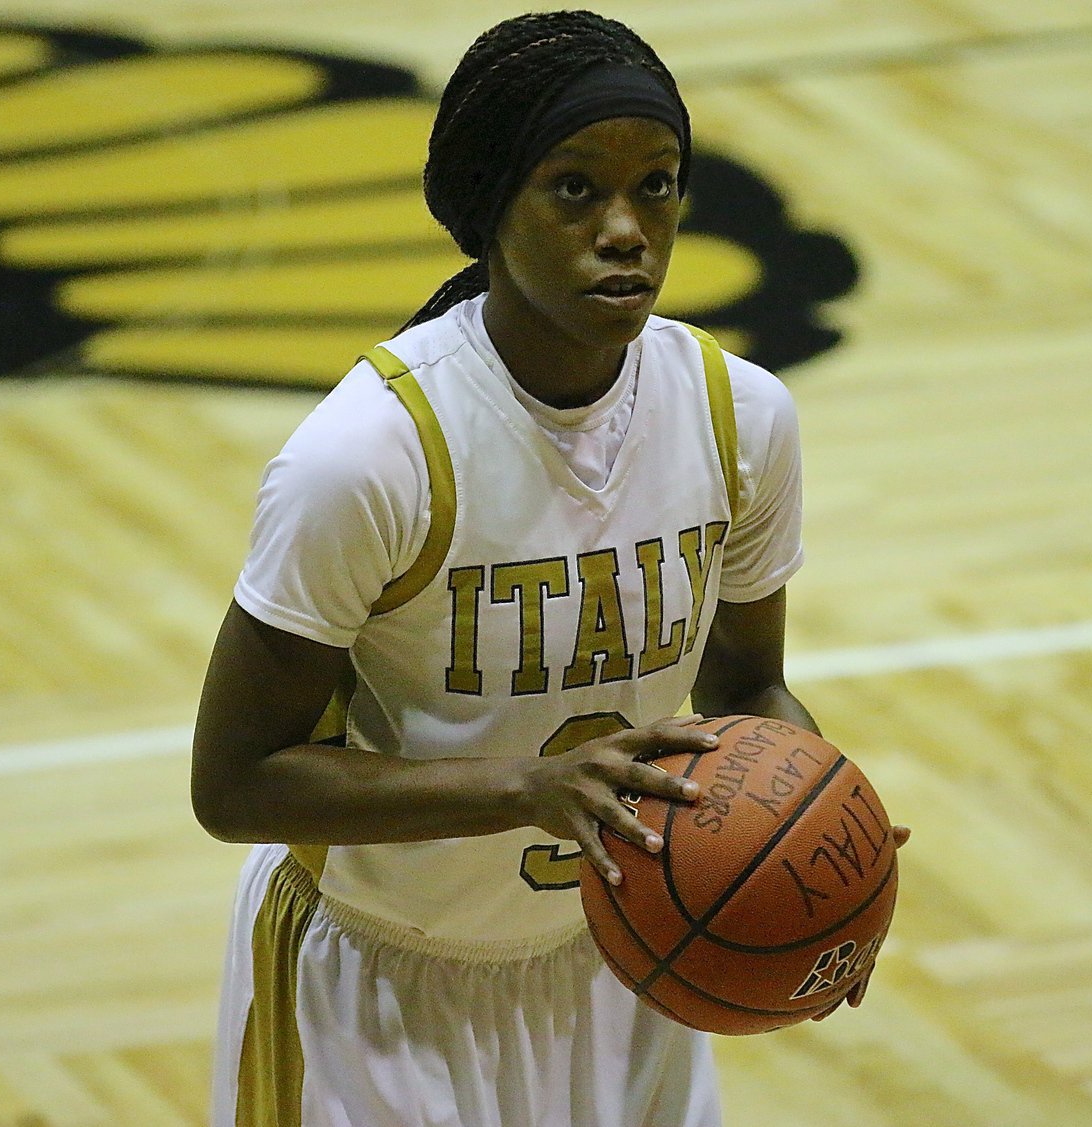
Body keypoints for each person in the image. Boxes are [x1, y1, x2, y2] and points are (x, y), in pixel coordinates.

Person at [192, 10, 905, 1126]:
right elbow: (235, 782)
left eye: (658, 186)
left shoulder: (740, 419)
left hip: (620, 962)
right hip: (381, 984)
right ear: (491, 209)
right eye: (575, 189)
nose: (627, 228)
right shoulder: (369, 458)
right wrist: (527, 788)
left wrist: (826, 851)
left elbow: (746, 687)